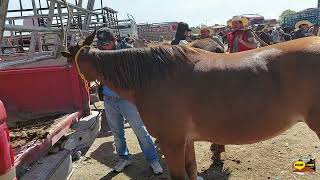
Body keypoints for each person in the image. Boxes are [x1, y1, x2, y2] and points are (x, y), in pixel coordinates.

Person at [96, 27, 163, 174]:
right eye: (101, 45)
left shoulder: (129, 52)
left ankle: (153, 160)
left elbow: (140, 74)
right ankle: (124, 158)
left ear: (115, 40)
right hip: (109, 99)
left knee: (140, 130)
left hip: (127, 100)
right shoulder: (100, 53)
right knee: (117, 132)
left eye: (106, 44)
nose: (103, 47)